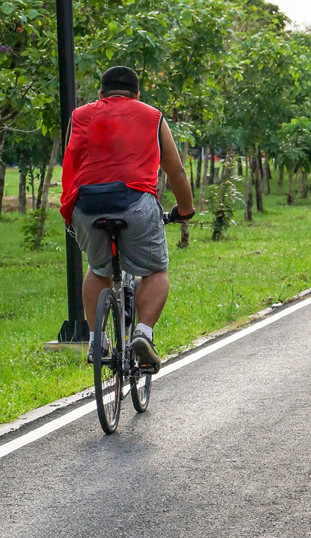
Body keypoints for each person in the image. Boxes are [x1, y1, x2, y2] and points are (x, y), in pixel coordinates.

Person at [60, 65, 195, 369]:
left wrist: (70, 214)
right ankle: (143, 334)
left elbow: (69, 165)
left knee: (97, 270)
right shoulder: (151, 116)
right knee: (156, 271)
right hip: (135, 202)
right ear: (137, 94)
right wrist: (185, 210)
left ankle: (96, 341)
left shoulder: (80, 115)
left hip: (86, 206)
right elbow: (176, 171)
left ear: (100, 94)